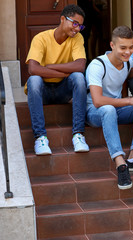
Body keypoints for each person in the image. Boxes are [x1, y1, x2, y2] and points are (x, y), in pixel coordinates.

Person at [85, 26, 133, 190]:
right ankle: (121, 164)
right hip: (95, 112)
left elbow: (132, 70)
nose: (128, 52)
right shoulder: (97, 65)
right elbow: (98, 101)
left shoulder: (128, 62)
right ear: (112, 46)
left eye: (131, 47)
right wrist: (129, 101)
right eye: (123, 48)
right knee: (108, 109)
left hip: (116, 109)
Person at [25, 4, 89, 155]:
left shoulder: (77, 38)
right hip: (43, 92)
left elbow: (80, 65)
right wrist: (63, 72)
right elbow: (33, 69)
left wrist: (51, 66)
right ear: (62, 19)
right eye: (74, 23)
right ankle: (40, 138)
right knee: (34, 80)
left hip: (63, 90)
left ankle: (78, 135)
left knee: (79, 77)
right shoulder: (41, 38)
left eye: (80, 26)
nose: (77, 29)